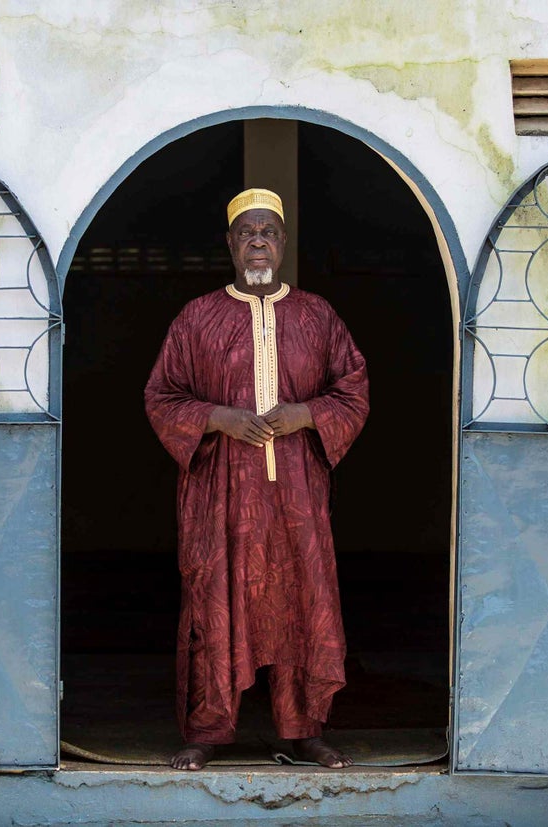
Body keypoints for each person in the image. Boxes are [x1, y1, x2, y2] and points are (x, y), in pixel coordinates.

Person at [144, 187, 369, 771]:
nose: (259, 240)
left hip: (295, 490)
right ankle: (207, 731)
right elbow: (161, 396)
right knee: (216, 597)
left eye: (268, 230)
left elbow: (353, 389)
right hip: (222, 490)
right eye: (247, 232)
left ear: (284, 241)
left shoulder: (318, 316)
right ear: (230, 243)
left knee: (302, 597)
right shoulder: (198, 318)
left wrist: (305, 413)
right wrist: (218, 418)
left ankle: (304, 730)